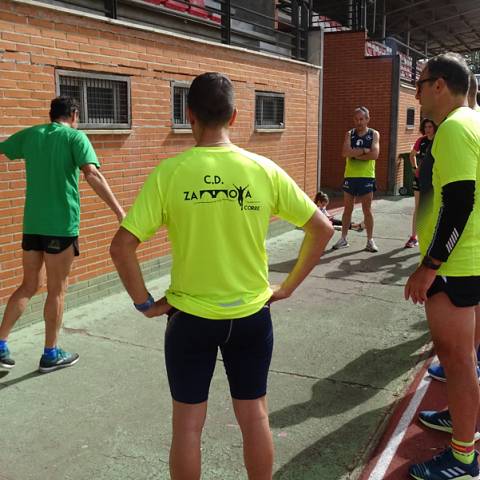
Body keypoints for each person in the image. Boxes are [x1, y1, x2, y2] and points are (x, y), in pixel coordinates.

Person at [110, 72, 334, 480]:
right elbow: (322, 227)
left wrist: (145, 304)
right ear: (234, 116)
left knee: (188, 426)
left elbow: (121, 246)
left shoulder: (170, 173)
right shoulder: (263, 169)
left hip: (189, 320)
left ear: (188, 114)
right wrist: (287, 287)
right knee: (255, 417)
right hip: (251, 315)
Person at [0, 96, 125, 373]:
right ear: (74, 114)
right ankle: (51, 354)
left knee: (29, 285)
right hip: (60, 226)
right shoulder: (74, 138)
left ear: (51, 114)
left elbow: (3, 147)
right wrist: (119, 211)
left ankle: (0, 343)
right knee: (57, 290)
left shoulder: (32, 135)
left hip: (32, 225)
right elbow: (92, 174)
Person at [405, 53, 480, 480]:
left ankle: (463, 458)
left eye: (421, 82)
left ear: (440, 85)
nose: (416, 91)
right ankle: (460, 419)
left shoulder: (454, 128)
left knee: (458, 360)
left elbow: (459, 203)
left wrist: (430, 265)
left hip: (457, 266)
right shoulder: (474, 121)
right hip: (471, 261)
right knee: (465, 359)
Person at [332, 106, 380, 252]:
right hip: (350, 176)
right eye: (356, 119)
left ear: (367, 119)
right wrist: (364, 150)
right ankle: (343, 239)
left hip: (366, 177)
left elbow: (375, 154)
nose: (359, 122)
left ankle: (370, 241)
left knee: (367, 210)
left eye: (361, 119)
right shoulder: (349, 134)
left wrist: (355, 154)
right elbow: (345, 152)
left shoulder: (374, 134)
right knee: (348, 209)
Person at [404, 118, 437, 248]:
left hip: (435, 179)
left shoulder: (439, 140)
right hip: (420, 178)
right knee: (418, 207)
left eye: (430, 126)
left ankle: (432, 237)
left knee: (434, 208)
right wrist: (414, 168)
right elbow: (412, 155)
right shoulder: (421, 140)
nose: (428, 129)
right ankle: (414, 237)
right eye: (426, 127)